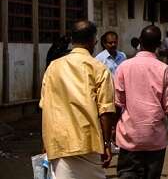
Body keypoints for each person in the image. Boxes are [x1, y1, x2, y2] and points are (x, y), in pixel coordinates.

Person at [40, 20, 116, 179]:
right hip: (88, 142)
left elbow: (46, 107)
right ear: (93, 40)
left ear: (72, 39)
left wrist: (46, 143)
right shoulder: (99, 68)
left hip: (59, 143)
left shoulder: (53, 67)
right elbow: (106, 110)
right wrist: (107, 143)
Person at [114, 25, 168, 178]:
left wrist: (112, 128)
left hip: (129, 135)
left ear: (140, 41)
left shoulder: (124, 67)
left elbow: (117, 103)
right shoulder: (164, 69)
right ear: (158, 45)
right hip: (154, 137)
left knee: (127, 174)